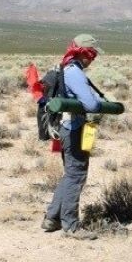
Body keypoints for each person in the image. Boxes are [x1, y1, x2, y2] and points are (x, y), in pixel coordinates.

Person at [41, 34, 104, 240]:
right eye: (92, 55)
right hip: (73, 127)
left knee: (70, 174)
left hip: (64, 127)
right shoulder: (74, 72)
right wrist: (100, 103)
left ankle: (52, 218)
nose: (93, 59)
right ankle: (71, 225)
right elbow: (92, 104)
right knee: (76, 173)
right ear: (84, 53)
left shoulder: (64, 68)